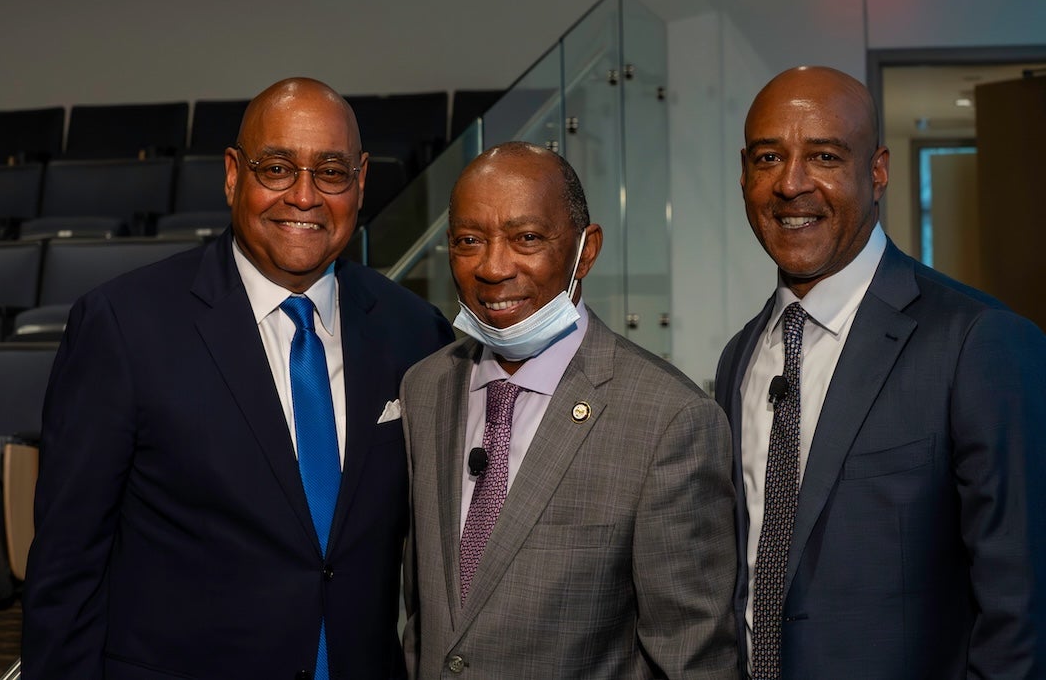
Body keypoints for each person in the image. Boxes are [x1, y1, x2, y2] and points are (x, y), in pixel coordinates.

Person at [22, 77, 455, 679]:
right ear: (233, 175)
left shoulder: (414, 332)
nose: (304, 197)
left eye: (330, 173)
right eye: (277, 168)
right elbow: (67, 565)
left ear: (360, 182)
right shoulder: (123, 326)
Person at [716, 65, 1046, 679]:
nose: (791, 184)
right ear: (744, 173)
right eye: (768, 157)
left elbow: (1021, 609)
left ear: (878, 172)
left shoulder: (979, 341)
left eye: (824, 156)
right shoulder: (741, 357)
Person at [401, 141, 739, 679]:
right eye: (470, 241)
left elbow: (693, 658)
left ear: (587, 249)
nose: (493, 266)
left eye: (527, 238)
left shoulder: (669, 420)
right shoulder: (425, 389)